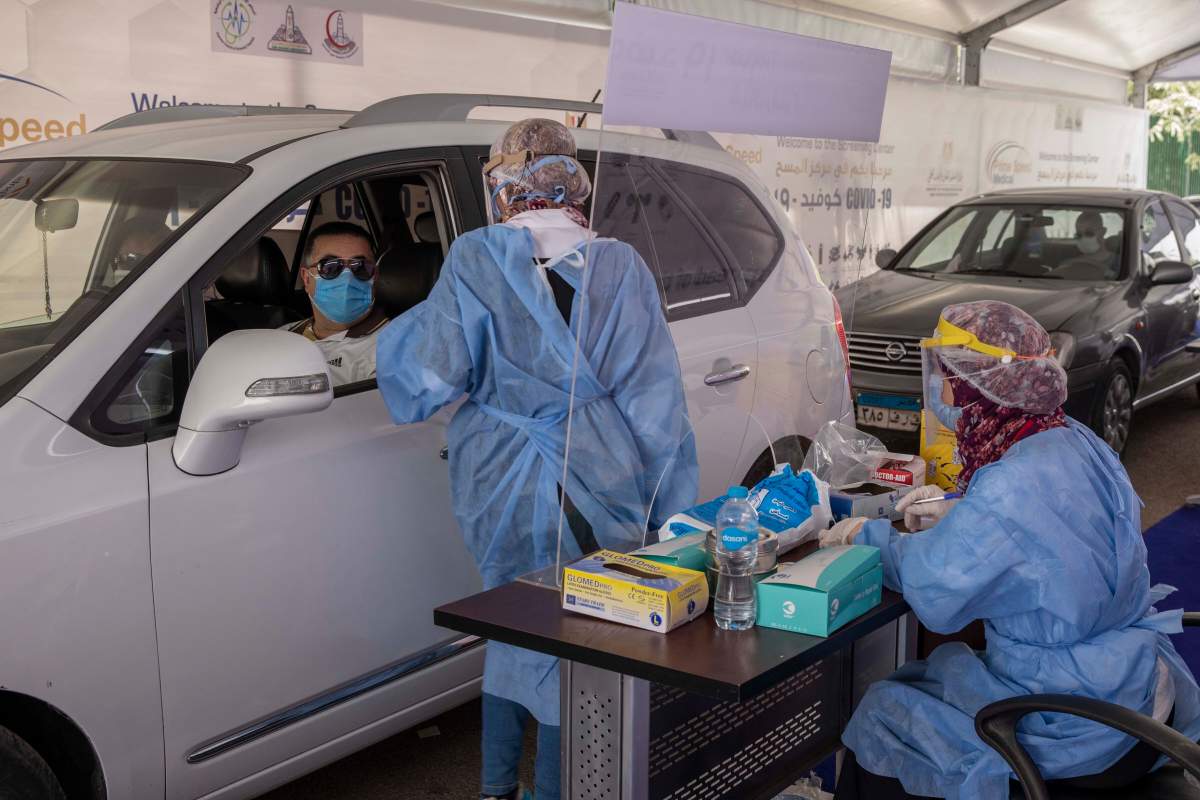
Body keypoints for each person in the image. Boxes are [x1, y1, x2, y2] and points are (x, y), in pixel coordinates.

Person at [375, 118, 698, 800]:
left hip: (502, 482)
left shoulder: (475, 258)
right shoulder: (622, 266)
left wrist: (389, 341)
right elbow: (656, 408)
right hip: (603, 477)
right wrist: (670, 520)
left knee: (514, 628)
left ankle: (500, 789)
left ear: (501, 186)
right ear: (571, 179)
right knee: (576, 643)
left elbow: (427, 381)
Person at [819, 300, 1200, 799]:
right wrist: (962, 507)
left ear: (979, 382)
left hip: (1076, 717)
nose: (942, 384)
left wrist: (862, 537)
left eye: (949, 370)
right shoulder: (1075, 438)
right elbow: (1056, 530)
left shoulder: (1009, 486)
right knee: (931, 678)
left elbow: (936, 590)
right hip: (1137, 683)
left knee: (884, 710)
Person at [282, 221, 386, 385]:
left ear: (375, 277)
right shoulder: (283, 336)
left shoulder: (391, 347)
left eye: (360, 267)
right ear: (307, 278)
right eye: (330, 267)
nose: (347, 278)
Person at [1058, 209, 1118, 279]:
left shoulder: (1118, 262)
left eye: (1089, 233)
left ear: (1103, 232)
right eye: (1079, 235)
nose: (1083, 238)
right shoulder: (1069, 264)